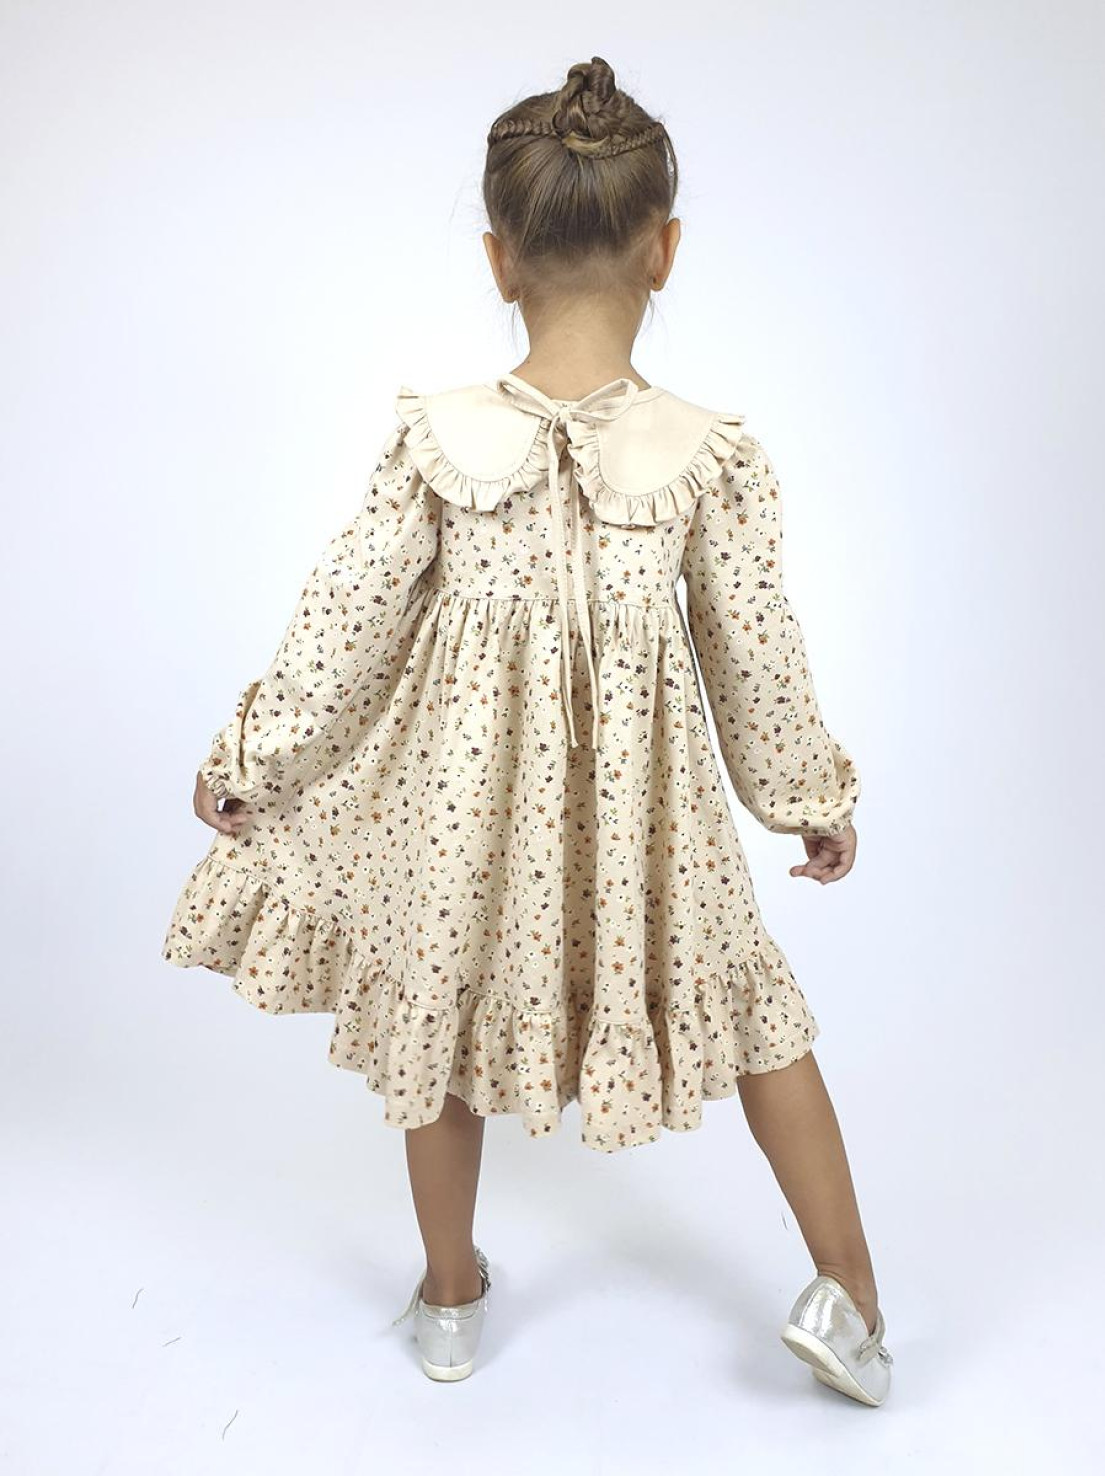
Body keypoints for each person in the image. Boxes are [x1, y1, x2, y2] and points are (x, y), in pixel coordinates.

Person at [162, 55, 893, 1404]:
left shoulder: (439, 443)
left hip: (465, 819)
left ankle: (450, 1297)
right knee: (756, 1011)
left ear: (499, 261)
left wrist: (253, 759)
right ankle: (849, 1299)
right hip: (652, 828)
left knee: (439, 1011)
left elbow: (345, 622)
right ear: (665, 250)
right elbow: (757, 656)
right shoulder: (708, 455)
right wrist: (807, 799)